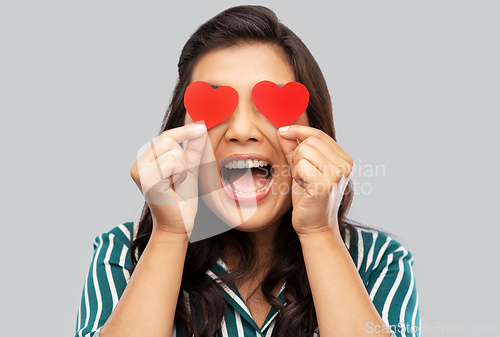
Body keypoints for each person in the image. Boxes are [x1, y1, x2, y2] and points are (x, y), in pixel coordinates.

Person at [75, 5, 420, 337]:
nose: (242, 131)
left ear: (316, 133)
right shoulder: (123, 252)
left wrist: (318, 233)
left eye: (269, 107)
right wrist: (169, 234)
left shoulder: (379, 260)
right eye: (214, 104)